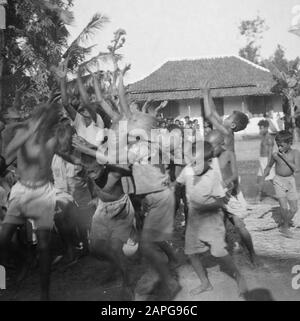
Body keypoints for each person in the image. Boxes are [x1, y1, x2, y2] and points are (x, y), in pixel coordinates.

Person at [0, 103, 60, 300]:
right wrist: (31, 125)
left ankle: (45, 295)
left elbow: (66, 150)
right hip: (21, 189)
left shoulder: (51, 138)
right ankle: (7, 278)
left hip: (44, 191)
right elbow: (8, 154)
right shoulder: (22, 134)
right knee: (4, 238)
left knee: (44, 246)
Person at [176, 141, 247, 296]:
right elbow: (178, 183)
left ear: (209, 162)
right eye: (192, 161)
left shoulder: (213, 176)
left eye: (198, 163)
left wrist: (203, 207)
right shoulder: (188, 170)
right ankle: (205, 283)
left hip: (211, 219)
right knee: (191, 253)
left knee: (218, 252)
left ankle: (239, 276)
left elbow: (220, 202)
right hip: (194, 219)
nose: (194, 165)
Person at [206, 130, 259, 266]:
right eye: (208, 146)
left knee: (239, 225)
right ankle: (223, 253)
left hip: (230, 195)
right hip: (216, 195)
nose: (211, 149)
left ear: (221, 144)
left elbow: (235, 175)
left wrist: (227, 182)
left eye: (213, 146)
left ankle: (252, 253)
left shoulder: (229, 154)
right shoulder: (209, 157)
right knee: (219, 226)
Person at [263, 130, 300, 237]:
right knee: (283, 207)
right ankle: (285, 228)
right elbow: (269, 166)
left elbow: (296, 169)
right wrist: (263, 176)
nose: (279, 148)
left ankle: (285, 223)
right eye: (278, 145)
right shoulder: (275, 155)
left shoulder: (295, 153)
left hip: (290, 181)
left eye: (282, 146)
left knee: (294, 209)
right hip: (278, 181)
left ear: (290, 143)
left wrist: (284, 157)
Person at [257, 120, 275, 201]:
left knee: (263, 178)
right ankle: (285, 191)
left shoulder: (269, 139)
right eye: (259, 128)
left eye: (261, 128)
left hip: (267, 160)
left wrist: (268, 165)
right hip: (262, 160)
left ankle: (258, 196)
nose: (260, 130)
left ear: (267, 128)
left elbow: (270, 153)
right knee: (270, 179)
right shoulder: (263, 137)